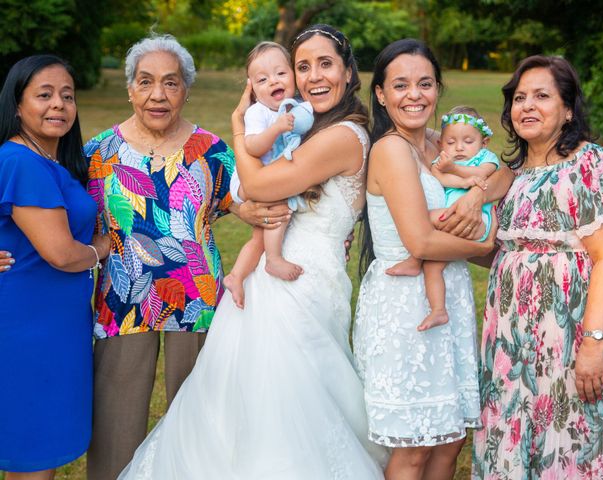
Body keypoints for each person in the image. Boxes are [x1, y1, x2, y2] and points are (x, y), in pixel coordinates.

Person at [117, 24, 388, 479]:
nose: (314, 75)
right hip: (275, 277)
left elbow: (259, 184)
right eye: (304, 66)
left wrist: (240, 128)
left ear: (348, 70)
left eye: (326, 63)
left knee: (288, 399)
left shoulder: (344, 134)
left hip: (301, 280)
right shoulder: (310, 123)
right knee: (241, 395)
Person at [83, 34, 289, 480]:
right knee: (115, 424)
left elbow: (246, 198)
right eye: (146, 82)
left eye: (171, 83)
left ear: (186, 90)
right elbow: (63, 222)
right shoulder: (97, 154)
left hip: (198, 299)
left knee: (201, 424)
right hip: (123, 302)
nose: (158, 94)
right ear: (130, 88)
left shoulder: (211, 150)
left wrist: (258, 209)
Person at [472, 55, 603, 478]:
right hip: (511, 342)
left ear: (568, 109)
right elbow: (507, 253)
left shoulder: (589, 163)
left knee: (576, 438)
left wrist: (593, 345)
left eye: (542, 96)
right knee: (515, 434)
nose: (527, 106)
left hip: (569, 338)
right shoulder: (513, 174)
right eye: (519, 97)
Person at [353, 39, 501, 480]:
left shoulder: (437, 144)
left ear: (438, 88)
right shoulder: (392, 149)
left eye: (425, 83)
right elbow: (419, 242)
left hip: (447, 300)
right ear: (380, 93)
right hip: (405, 307)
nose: (414, 95)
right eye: (400, 85)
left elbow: (503, 172)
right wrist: (485, 248)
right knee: (415, 445)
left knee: (450, 439)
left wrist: (476, 192)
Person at [0, 55, 110, 479]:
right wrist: (100, 249)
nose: (58, 105)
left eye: (67, 95)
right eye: (43, 95)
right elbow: (62, 254)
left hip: (56, 325)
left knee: (35, 457)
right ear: (17, 105)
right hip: (28, 329)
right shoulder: (21, 162)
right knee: (33, 457)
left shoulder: (52, 162)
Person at [386, 105, 500, 331]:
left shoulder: (486, 158)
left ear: (483, 142)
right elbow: (441, 177)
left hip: (478, 223)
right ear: (441, 143)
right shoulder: (444, 161)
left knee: (424, 217)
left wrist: (456, 171)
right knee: (433, 267)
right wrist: (461, 181)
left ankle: (414, 258)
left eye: (468, 141)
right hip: (450, 224)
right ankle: (439, 310)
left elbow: (480, 175)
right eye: (451, 142)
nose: (459, 148)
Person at [224, 41, 309, 309]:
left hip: (271, 176)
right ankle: (273, 260)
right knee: (278, 209)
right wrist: (277, 129)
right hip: (251, 179)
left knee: (258, 237)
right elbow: (252, 146)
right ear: (251, 88)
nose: (273, 81)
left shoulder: (296, 107)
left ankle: (236, 276)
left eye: (281, 74)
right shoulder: (257, 113)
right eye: (262, 79)